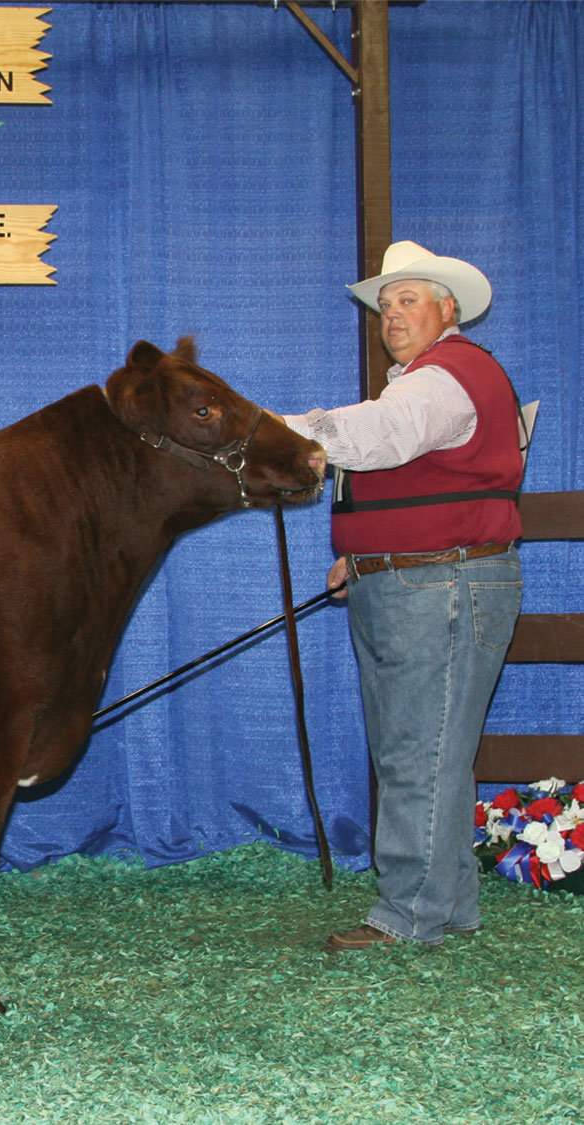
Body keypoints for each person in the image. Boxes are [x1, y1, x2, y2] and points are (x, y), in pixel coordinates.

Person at [279, 241, 524, 951]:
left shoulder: (448, 376)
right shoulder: (424, 380)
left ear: (449, 311)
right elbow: (417, 471)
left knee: (420, 751)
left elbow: (380, 437)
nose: (391, 315)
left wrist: (266, 433)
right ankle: (449, 905)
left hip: (442, 581)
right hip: (413, 576)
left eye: (407, 300)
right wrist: (363, 555)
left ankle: (407, 914)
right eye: (385, 307)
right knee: (425, 750)